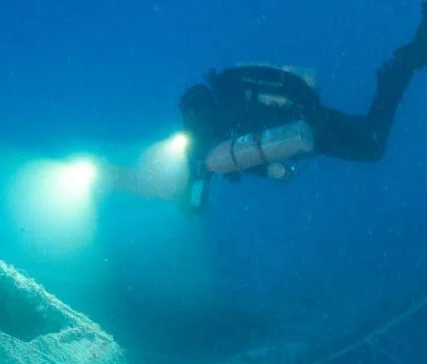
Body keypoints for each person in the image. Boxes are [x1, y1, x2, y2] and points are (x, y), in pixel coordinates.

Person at [175, 3, 427, 212]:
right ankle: (403, 66)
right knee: (373, 147)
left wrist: (310, 110)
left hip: (309, 119)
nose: (194, 123)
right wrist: (268, 171)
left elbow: (284, 81)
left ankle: (403, 64)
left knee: (373, 144)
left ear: (202, 106)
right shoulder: (217, 134)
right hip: (303, 138)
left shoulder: (231, 85)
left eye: (193, 115)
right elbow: (236, 159)